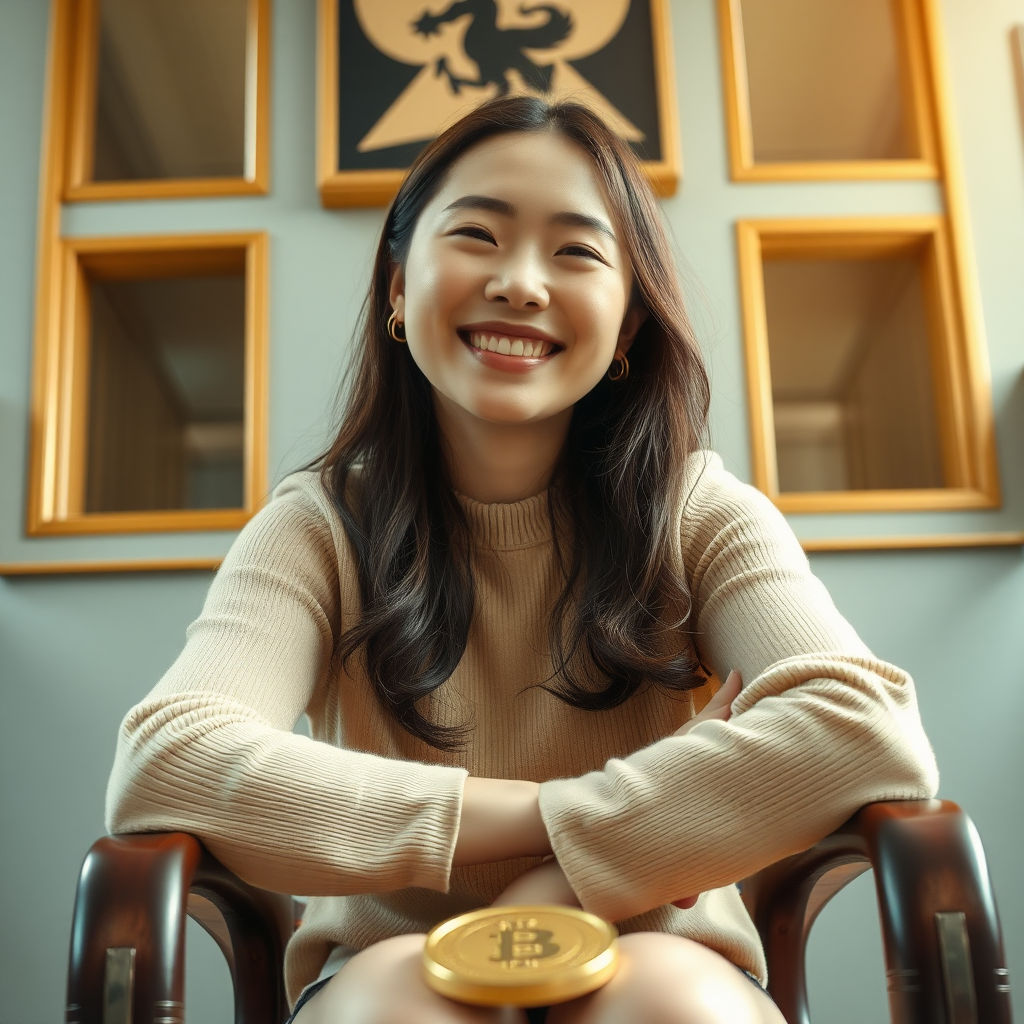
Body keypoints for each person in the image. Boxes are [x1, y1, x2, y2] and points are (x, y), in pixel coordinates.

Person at [106, 97, 938, 1024]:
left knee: (665, 999)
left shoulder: (698, 511)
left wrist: (562, 879)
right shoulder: (319, 524)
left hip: (661, 952)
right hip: (384, 968)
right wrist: (577, 817)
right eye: (476, 235)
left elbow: (864, 725)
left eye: (577, 251)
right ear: (395, 285)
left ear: (626, 328)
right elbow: (169, 759)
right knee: (397, 1001)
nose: (521, 284)